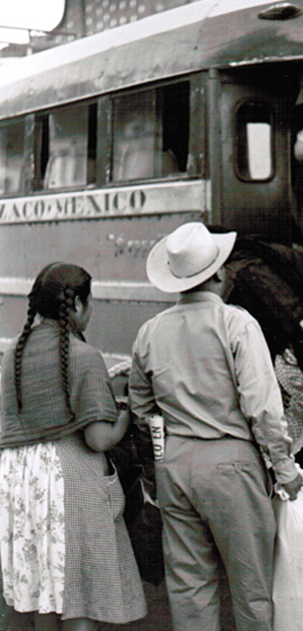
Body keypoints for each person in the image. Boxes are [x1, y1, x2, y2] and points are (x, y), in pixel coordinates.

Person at [128, 221, 303, 631]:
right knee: (252, 588)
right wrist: (284, 468)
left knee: (189, 588)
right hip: (232, 468)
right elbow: (262, 408)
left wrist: (159, 469)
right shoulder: (236, 324)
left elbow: (143, 412)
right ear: (219, 273)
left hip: (175, 467)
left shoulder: (149, 333)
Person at [0, 262, 147, 631]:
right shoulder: (83, 356)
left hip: (20, 483)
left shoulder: (12, 353)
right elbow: (98, 439)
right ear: (78, 304)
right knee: (79, 596)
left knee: (45, 595)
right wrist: (127, 413)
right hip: (68, 480)